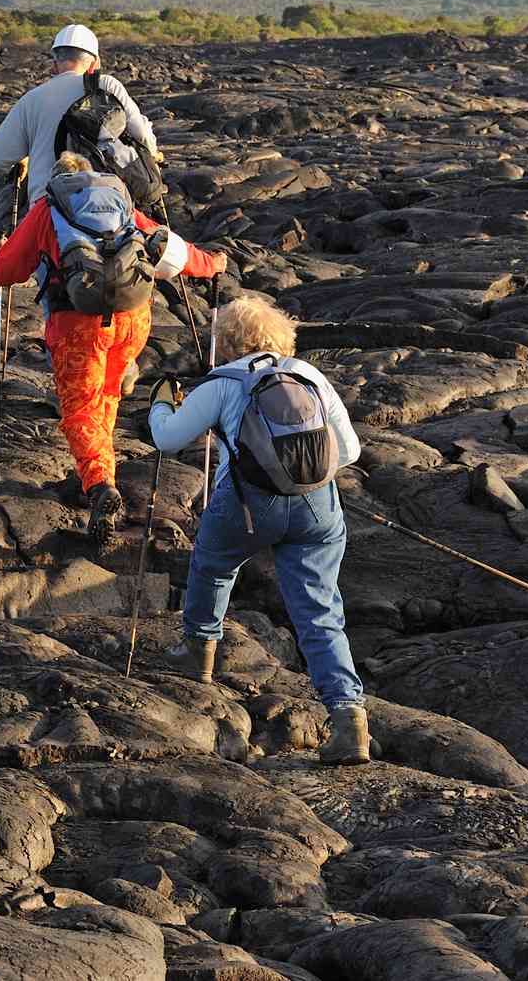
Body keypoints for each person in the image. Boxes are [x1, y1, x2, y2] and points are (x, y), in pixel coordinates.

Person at [147, 294, 370, 764]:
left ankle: (199, 654)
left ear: (225, 342)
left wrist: (159, 405)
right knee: (319, 611)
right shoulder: (309, 376)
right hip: (317, 507)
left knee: (212, 564)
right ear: (281, 335)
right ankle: (349, 719)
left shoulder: (223, 383)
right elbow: (348, 450)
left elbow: (167, 440)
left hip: (247, 504)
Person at [0, 152, 225, 539]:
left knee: (81, 408)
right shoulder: (117, 202)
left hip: (77, 323)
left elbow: (6, 271)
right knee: (108, 394)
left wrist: (1, 252)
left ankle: (100, 485)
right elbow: (173, 253)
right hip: (132, 318)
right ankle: (99, 469)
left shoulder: (49, 209)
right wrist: (211, 264)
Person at [0, 23, 160, 205]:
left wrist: (22, 159)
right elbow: (142, 135)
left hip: (48, 207)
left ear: (55, 63)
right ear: (95, 63)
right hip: (106, 204)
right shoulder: (106, 85)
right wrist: (153, 153)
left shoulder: (31, 99)